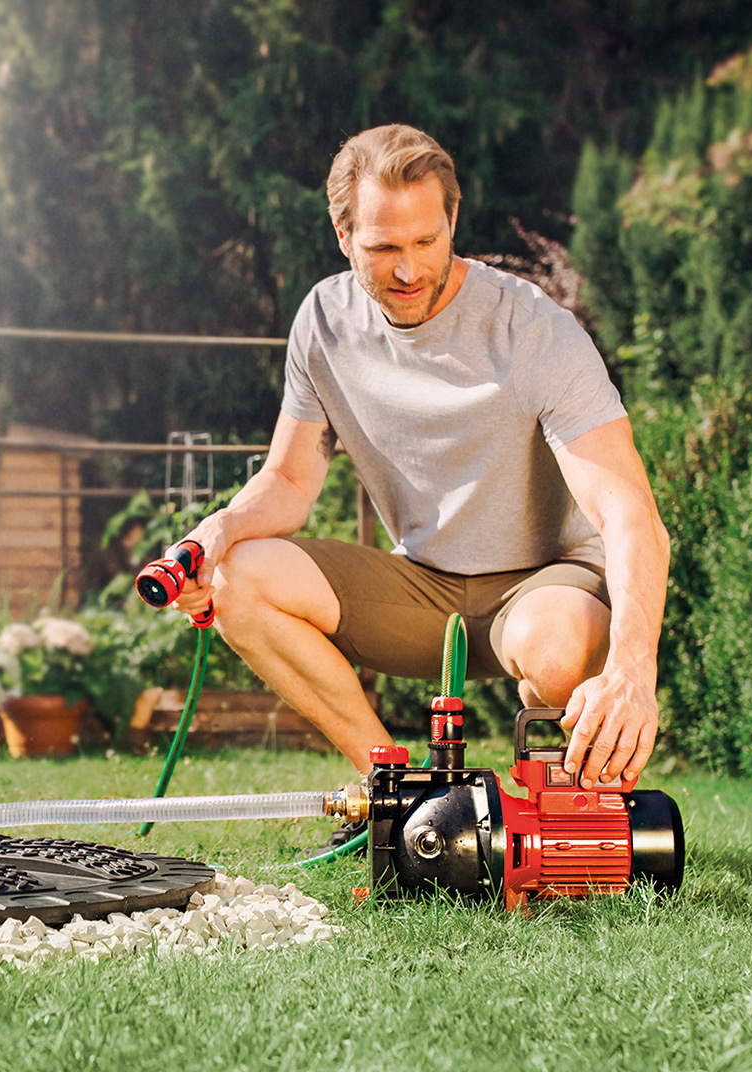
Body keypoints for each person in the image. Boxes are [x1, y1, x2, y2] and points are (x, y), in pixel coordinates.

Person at [169, 123, 669, 819]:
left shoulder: (533, 330)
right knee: (236, 578)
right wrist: (216, 533)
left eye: (426, 242)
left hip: (543, 585)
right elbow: (287, 484)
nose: (409, 271)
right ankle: (397, 794)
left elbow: (629, 512)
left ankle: (560, 806)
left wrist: (632, 671)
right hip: (426, 587)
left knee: (554, 649)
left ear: (452, 220)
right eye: (382, 249)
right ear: (343, 236)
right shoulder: (325, 323)